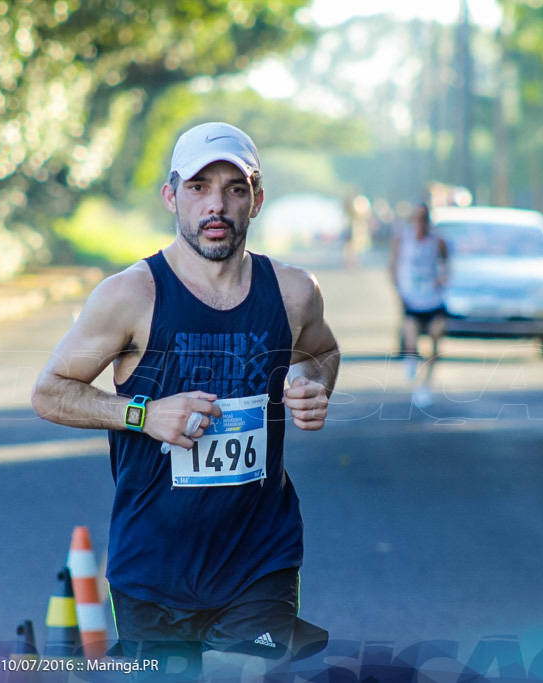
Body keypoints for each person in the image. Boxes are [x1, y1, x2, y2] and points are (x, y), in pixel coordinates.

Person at [32, 122, 340, 680]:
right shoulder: (131, 295)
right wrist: (143, 415)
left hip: (259, 560)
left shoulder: (294, 291)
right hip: (152, 569)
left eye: (235, 188)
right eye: (199, 187)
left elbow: (321, 352)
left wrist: (313, 386)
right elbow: (50, 392)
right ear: (172, 196)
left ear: (258, 199)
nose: (216, 205)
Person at [389, 202, 448, 408]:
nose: (421, 223)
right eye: (417, 218)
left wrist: (443, 279)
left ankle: (425, 386)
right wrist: (399, 289)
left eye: (424, 218)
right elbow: (393, 265)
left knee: (436, 342)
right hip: (412, 300)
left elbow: (446, 264)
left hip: (433, 300)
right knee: (411, 343)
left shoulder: (437, 242)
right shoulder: (402, 240)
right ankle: (411, 364)